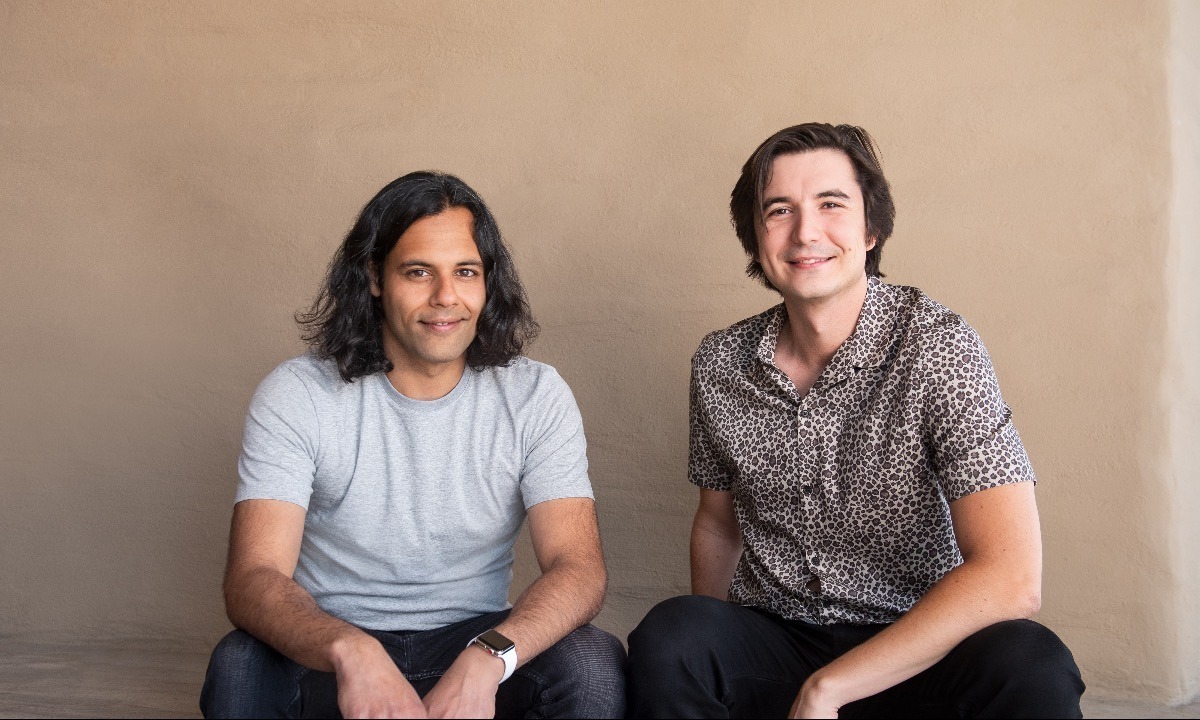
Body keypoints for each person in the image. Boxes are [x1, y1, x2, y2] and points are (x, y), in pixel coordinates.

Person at [626, 123, 1084, 718]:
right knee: (673, 637)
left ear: (871, 230)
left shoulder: (938, 346)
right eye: (779, 210)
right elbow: (718, 525)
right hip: (780, 640)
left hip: (920, 646)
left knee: (1032, 663)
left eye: (831, 204)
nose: (805, 232)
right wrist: (713, 648)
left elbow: (1011, 574)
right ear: (756, 241)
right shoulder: (721, 363)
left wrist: (832, 687)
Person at [200, 171, 625, 719]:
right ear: (375, 277)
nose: (446, 297)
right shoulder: (298, 393)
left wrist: (490, 657)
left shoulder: (534, 394)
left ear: (487, 281)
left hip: (473, 642)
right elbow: (253, 578)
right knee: (239, 665)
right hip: (333, 646)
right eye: (418, 272)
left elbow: (578, 569)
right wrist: (350, 650)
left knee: (592, 664)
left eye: (465, 272)